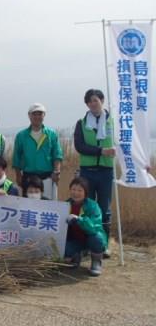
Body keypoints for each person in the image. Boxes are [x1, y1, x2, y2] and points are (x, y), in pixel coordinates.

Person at [74, 89, 115, 257]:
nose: (93, 103)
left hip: (106, 171)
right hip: (87, 172)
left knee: (104, 208)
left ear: (102, 100)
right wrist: (101, 151)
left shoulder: (113, 121)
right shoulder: (81, 123)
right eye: (89, 101)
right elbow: (79, 146)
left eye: (95, 100)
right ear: (86, 104)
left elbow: (126, 143)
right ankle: (85, 244)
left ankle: (103, 244)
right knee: (87, 208)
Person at [12, 103, 63, 200]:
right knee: (28, 206)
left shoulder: (51, 134)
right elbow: (16, 157)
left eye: (40, 114)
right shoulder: (21, 135)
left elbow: (57, 154)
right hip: (28, 177)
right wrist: (18, 175)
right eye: (34, 114)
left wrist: (57, 171)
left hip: (47, 177)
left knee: (48, 206)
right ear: (29, 115)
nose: (37, 116)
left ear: (44, 115)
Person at [65, 177, 107, 276]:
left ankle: (96, 262)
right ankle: (75, 255)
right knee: (65, 249)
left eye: (80, 190)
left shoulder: (93, 206)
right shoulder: (65, 204)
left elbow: (94, 227)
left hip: (90, 238)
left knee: (97, 239)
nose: (76, 193)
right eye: (73, 189)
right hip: (75, 239)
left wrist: (79, 220)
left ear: (85, 192)